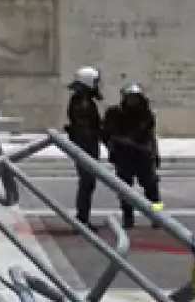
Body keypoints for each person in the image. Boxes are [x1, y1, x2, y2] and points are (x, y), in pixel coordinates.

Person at [102, 83, 162, 228]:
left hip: (143, 157)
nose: (133, 101)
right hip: (124, 157)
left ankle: (158, 216)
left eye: (135, 98)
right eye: (130, 98)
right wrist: (120, 144)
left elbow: (150, 135)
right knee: (125, 189)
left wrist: (155, 153)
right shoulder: (115, 113)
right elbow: (108, 134)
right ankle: (128, 218)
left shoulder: (146, 114)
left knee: (152, 188)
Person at [64, 66, 104, 226]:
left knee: (88, 183)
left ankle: (83, 218)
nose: (97, 85)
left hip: (86, 146)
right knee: (87, 182)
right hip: (85, 146)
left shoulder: (83, 101)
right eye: (95, 82)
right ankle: (82, 219)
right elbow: (85, 128)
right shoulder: (83, 103)